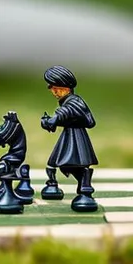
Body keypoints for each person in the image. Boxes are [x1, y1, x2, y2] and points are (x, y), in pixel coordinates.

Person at [40, 65, 99, 212]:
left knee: (68, 162)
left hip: (76, 137)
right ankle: (81, 184)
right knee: (61, 162)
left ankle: (85, 187)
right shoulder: (68, 101)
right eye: (51, 88)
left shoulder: (73, 101)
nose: (53, 92)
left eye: (56, 88)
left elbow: (69, 111)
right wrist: (51, 121)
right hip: (69, 135)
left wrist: (55, 119)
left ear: (66, 87)